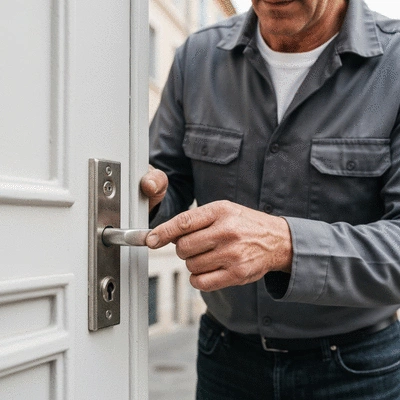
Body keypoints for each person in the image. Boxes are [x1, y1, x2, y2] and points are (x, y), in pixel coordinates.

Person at [141, 0, 400, 398]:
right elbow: (167, 183)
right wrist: (154, 201)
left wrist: (286, 245)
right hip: (224, 360)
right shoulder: (195, 58)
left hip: (360, 370)